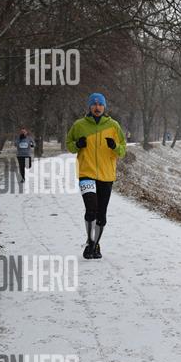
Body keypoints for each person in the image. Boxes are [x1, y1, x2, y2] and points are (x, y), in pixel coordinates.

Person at [66, 92, 126, 259]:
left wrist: (115, 146)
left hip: (106, 176)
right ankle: (90, 243)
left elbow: (123, 150)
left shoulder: (113, 126)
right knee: (91, 209)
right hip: (86, 173)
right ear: (90, 106)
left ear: (104, 107)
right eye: (94, 104)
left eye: (100, 104)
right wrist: (77, 144)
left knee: (101, 214)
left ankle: (95, 244)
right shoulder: (79, 125)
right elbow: (69, 145)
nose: (97, 107)